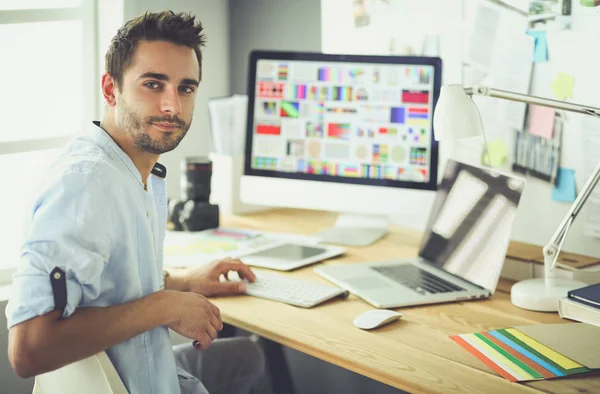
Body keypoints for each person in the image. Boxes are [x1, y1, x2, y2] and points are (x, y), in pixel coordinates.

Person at [6, 10, 269, 394]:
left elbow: (106, 286)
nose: (172, 107)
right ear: (111, 90)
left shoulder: (136, 172)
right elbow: (28, 350)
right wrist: (165, 306)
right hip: (129, 383)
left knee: (249, 357)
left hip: (150, 368)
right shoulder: (86, 186)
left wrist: (181, 283)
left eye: (186, 88)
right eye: (153, 84)